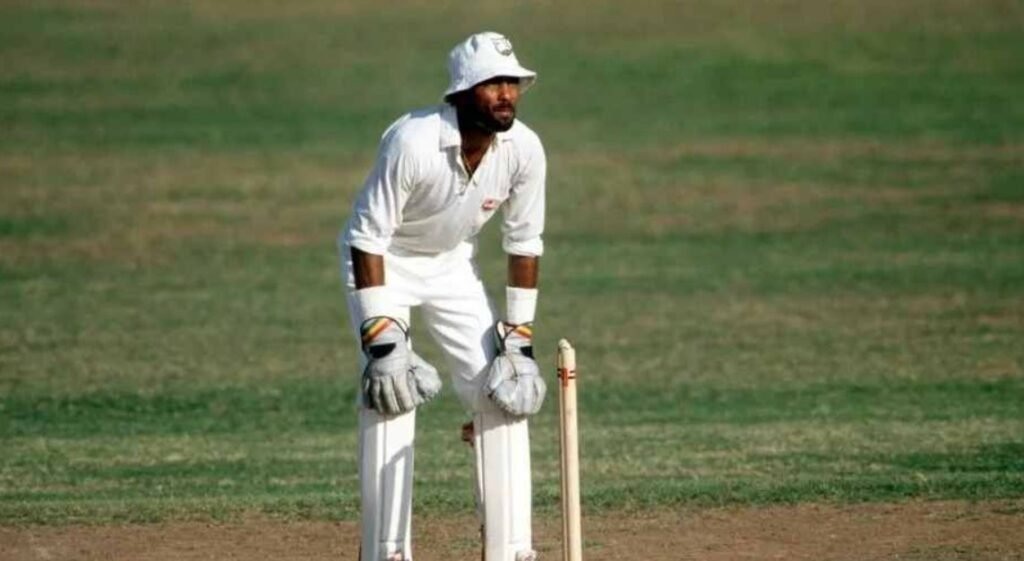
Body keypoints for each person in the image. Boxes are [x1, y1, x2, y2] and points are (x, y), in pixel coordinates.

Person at [338, 31, 547, 561]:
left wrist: (519, 339)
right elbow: (367, 237)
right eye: (492, 84)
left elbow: (524, 242)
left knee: (504, 390)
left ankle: (511, 550)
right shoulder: (412, 140)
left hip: (451, 263)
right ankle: (386, 552)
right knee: (392, 390)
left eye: (512, 83)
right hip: (385, 261)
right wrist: (382, 339)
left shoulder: (524, 149)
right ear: (461, 93)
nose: (506, 94)